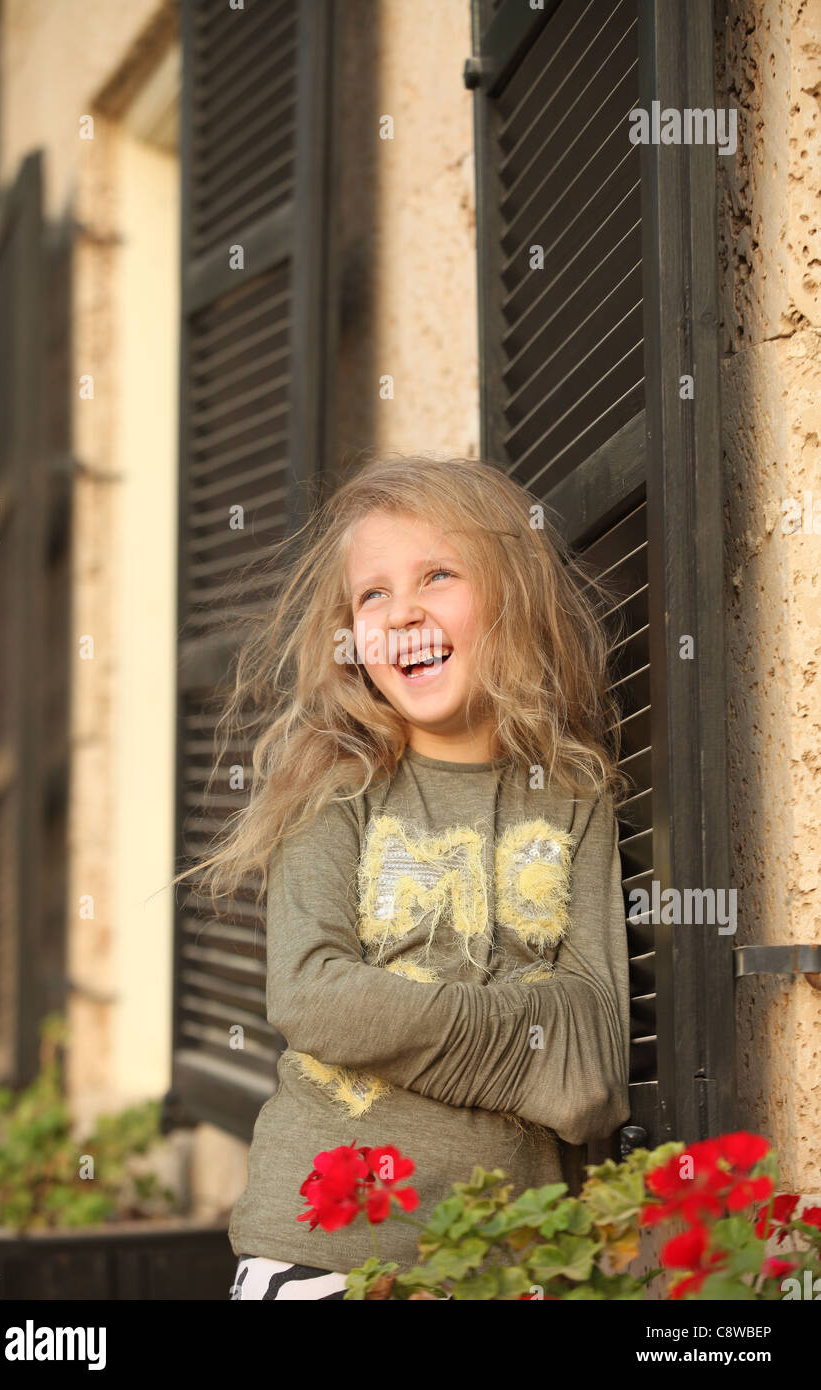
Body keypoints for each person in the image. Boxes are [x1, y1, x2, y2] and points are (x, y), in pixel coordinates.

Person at [182, 452, 632, 1301]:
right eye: (373, 594)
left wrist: (396, 1019)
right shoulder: (333, 791)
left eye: (438, 574)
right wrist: (526, 1037)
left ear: (512, 595)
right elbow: (313, 996)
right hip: (325, 1248)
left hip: (511, 1254)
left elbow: (591, 1071)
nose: (404, 613)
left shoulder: (577, 803)